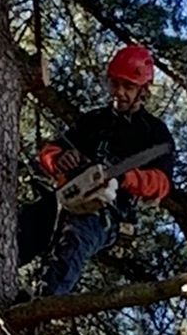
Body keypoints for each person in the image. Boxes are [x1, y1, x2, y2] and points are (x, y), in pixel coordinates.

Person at [17, 44, 176, 298]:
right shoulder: (93, 121)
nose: (120, 93)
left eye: (128, 87)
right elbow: (49, 151)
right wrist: (59, 160)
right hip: (68, 197)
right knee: (26, 224)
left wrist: (126, 177)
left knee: (78, 236)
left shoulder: (153, 132)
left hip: (109, 212)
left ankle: (41, 305)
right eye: (116, 85)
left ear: (142, 91)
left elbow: (161, 183)